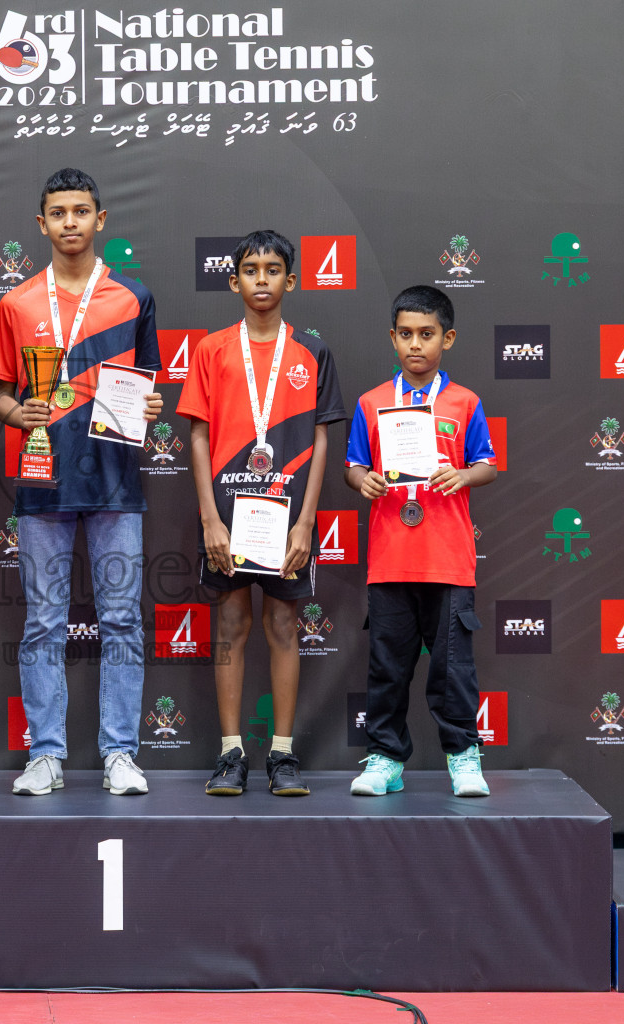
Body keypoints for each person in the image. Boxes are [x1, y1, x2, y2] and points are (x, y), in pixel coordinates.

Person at [0, 167, 163, 796]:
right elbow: (0, 397)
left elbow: (147, 389)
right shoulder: (16, 302)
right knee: (42, 622)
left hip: (116, 483)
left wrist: (151, 408)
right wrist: (20, 413)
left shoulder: (132, 297)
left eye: (80, 211)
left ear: (100, 219)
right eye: (58, 212)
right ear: (42, 223)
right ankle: (46, 755)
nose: (70, 223)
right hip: (42, 482)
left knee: (120, 619)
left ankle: (120, 753)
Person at [177, 230, 346, 797]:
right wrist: (209, 520)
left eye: (273, 269)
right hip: (227, 517)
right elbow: (197, 436)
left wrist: (306, 522)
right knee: (230, 627)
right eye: (251, 270)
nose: (262, 279)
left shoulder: (313, 352)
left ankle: (282, 754)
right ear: (234, 281)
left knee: (282, 626)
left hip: (287, 520)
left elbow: (322, 443)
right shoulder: (211, 350)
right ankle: (230, 755)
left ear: (290, 280)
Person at [343, 285, 498, 798]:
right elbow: (354, 466)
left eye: (427, 335)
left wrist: (463, 475)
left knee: (454, 671)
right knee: (387, 667)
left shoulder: (464, 402)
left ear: (447, 339)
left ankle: (463, 757)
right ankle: (385, 758)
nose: (416, 345)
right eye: (406, 334)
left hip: (449, 561)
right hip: (390, 560)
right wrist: (361, 480)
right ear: (392, 338)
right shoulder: (372, 403)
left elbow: (487, 463)